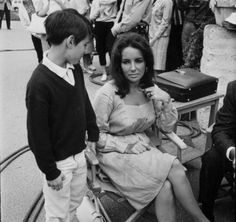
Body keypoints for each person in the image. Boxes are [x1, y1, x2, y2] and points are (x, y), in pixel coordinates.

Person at [93, 32, 210, 222]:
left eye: (138, 61)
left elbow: (167, 128)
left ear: (146, 63)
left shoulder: (150, 89)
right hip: (114, 153)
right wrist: (125, 146)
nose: (132, 68)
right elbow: (93, 135)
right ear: (118, 64)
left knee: (165, 187)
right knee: (174, 165)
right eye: (126, 62)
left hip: (144, 149)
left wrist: (165, 101)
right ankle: (202, 220)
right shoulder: (107, 94)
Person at [26, 9, 99, 222]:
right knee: (57, 214)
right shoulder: (39, 83)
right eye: (84, 45)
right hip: (59, 164)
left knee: (74, 203)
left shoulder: (73, 68)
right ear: (70, 41)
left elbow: (83, 101)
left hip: (78, 153)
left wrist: (92, 132)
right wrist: (50, 171)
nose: (86, 51)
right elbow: (37, 134)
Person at [199, 80, 236, 222]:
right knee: (211, 158)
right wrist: (232, 152)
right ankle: (206, 213)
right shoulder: (234, 88)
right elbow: (221, 130)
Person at [90, 0, 118, 81]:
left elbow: (117, 13)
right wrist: (100, 10)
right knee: (100, 50)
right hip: (99, 25)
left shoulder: (115, 1)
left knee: (112, 49)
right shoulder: (96, 1)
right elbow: (92, 17)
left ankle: (113, 73)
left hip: (111, 24)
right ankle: (104, 72)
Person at [149, 0, 173, 74]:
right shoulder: (155, 1)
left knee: (158, 66)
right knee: (152, 64)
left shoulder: (168, 2)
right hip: (151, 35)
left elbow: (165, 22)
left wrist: (155, 38)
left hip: (161, 37)